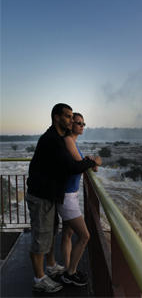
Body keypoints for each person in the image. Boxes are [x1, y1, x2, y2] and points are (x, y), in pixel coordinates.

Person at [26, 103, 101, 293]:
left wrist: (88, 161)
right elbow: (74, 167)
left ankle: (51, 267)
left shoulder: (59, 138)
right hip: (41, 195)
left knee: (51, 232)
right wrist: (92, 161)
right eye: (68, 117)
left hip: (51, 195)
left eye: (71, 117)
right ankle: (39, 278)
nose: (71, 120)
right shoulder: (53, 139)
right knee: (41, 237)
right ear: (56, 117)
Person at [58, 112, 93, 286]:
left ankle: (67, 269)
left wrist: (89, 161)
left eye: (83, 123)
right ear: (71, 124)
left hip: (69, 194)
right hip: (67, 197)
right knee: (85, 236)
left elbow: (82, 163)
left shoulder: (73, 142)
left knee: (67, 233)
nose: (81, 126)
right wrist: (93, 162)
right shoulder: (68, 141)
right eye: (78, 123)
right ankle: (71, 273)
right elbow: (81, 165)